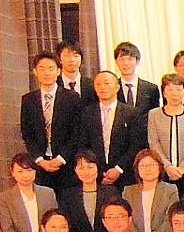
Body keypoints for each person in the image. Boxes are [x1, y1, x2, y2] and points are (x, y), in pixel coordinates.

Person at [20, 51, 81, 193]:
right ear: (35, 72)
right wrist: (40, 160)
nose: (46, 73)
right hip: (41, 166)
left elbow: (76, 133)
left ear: (58, 71)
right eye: (42, 69)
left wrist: (61, 158)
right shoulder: (28, 100)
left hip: (67, 164)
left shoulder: (72, 98)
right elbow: (27, 134)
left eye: (51, 68)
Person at [77, 69, 142, 189]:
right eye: (98, 84)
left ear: (117, 87)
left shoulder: (131, 113)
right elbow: (83, 144)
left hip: (125, 174)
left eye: (107, 83)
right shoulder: (87, 113)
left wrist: (118, 169)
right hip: (96, 175)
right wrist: (97, 169)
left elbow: (136, 145)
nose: (102, 87)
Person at [147, 72, 184, 194]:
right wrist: (168, 167)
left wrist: (183, 167)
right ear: (164, 93)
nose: (175, 94)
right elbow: (154, 143)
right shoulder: (154, 114)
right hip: (163, 172)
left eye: (178, 89)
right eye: (170, 90)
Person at [0, 153, 58, 232]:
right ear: (12, 172)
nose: (25, 175)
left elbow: (54, 222)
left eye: (29, 170)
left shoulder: (48, 193)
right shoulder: (6, 197)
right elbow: (8, 230)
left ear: (35, 171)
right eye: (20, 171)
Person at [122, 148, 179, 232]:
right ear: (137, 169)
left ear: (159, 168)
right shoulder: (128, 192)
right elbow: (126, 219)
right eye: (143, 166)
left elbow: (170, 219)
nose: (148, 169)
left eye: (152, 165)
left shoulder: (170, 190)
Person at [58, 150, 118, 232]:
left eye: (90, 167)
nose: (86, 172)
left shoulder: (111, 192)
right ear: (75, 170)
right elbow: (66, 224)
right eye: (81, 168)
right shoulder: (68, 195)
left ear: (97, 168)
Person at [114, 41, 160, 112]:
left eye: (130, 59)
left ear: (137, 62)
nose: (126, 63)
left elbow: (154, 115)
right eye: (122, 59)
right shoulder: (112, 88)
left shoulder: (151, 89)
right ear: (116, 62)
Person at [56, 40, 96, 105]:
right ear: (59, 59)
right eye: (67, 56)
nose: (72, 60)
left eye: (76, 56)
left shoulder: (92, 85)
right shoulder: (55, 85)